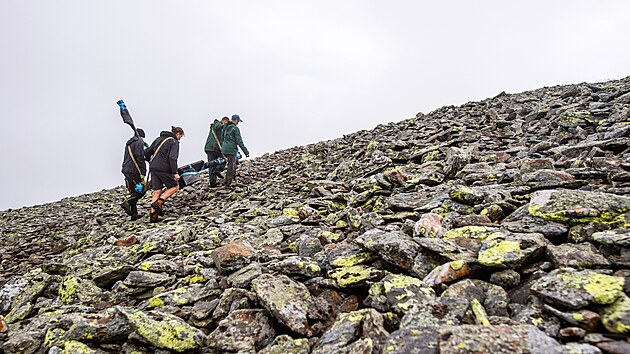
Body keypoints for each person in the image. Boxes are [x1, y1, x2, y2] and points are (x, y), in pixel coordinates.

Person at [144, 126, 185, 222]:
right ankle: (159, 202)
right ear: (178, 134)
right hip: (164, 168)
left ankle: (153, 216)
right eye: (181, 136)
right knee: (175, 187)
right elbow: (172, 158)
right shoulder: (174, 142)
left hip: (153, 168)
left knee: (157, 190)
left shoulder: (159, 139)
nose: (180, 139)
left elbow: (147, 152)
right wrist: (175, 173)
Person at [120, 128, 148, 221]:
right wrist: (143, 172)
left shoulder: (129, 143)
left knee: (133, 191)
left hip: (126, 169)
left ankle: (134, 214)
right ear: (142, 136)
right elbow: (139, 158)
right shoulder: (139, 143)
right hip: (134, 171)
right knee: (142, 189)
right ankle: (127, 203)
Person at [221, 114, 249, 187]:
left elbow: (222, 137)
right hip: (231, 149)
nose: (238, 123)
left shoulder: (225, 127)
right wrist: (246, 152)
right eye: (238, 121)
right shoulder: (235, 128)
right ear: (236, 120)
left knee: (234, 162)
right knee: (231, 166)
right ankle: (227, 184)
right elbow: (239, 141)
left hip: (224, 148)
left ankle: (232, 179)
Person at [203, 116, 229, 187]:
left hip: (210, 148)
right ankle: (218, 170)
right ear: (224, 121)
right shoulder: (216, 123)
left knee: (211, 164)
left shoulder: (220, 128)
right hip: (213, 148)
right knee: (225, 158)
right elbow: (217, 126)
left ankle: (212, 183)